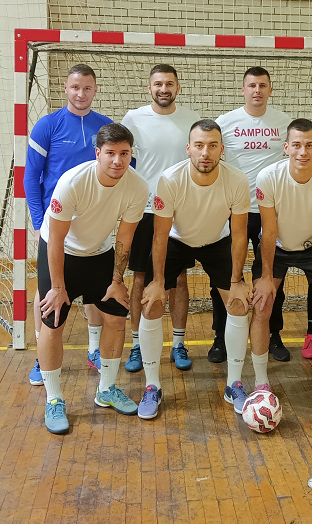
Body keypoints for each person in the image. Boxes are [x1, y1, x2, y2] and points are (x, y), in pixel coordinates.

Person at [145, 120, 262, 418]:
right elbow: (160, 235)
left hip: (217, 242)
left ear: (222, 150)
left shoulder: (237, 180)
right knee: (152, 304)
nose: (205, 153)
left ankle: (234, 383)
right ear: (188, 149)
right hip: (176, 241)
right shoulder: (170, 179)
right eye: (199, 145)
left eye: (212, 146)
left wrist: (236, 279)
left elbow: (239, 235)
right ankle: (151, 386)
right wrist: (157, 281)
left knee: (238, 304)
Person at [36, 124, 148, 434]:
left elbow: (125, 237)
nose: (117, 161)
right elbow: (56, 238)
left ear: (131, 154)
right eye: (110, 153)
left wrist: (117, 280)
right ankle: (54, 399)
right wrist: (57, 287)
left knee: (117, 317)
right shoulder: (72, 182)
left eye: (124, 153)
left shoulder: (138, 187)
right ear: (98, 153)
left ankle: (107, 389)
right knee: (53, 321)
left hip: (100, 252)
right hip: (61, 251)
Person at [24, 64, 113, 386]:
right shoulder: (48, 125)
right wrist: (38, 222)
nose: (81, 93)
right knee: (47, 290)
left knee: (94, 292)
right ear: (66, 88)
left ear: (95, 90)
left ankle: (94, 350)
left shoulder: (105, 127)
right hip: (55, 224)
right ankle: (41, 356)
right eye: (75, 87)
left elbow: (121, 169)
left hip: (93, 223)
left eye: (87, 88)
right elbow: (31, 176)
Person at [255, 119, 312, 413]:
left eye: (309, 145)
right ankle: (260, 383)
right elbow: (268, 230)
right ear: (286, 148)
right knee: (261, 305)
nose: (302, 152)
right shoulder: (268, 177)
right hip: (277, 247)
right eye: (296, 145)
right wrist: (266, 276)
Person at [120, 65, 201, 373]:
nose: (163, 89)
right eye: (158, 84)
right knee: (141, 278)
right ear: (149, 87)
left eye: (169, 83)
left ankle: (178, 343)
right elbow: (121, 158)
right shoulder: (133, 118)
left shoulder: (192, 119)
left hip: (181, 211)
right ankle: (137, 345)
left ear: (178, 87)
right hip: (145, 211)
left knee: (178, 279)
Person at [215, 67, 293, 363]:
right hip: (233, 210)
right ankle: (220, 338)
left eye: (262, 85)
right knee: (225, 277)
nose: (257, 90)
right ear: (243, 90)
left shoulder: (284, 122)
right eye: (251, 85)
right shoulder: (225, 122)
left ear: (270, 90)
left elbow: (311, 141)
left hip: (269, 210)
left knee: (271, 277)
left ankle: (273, 335)